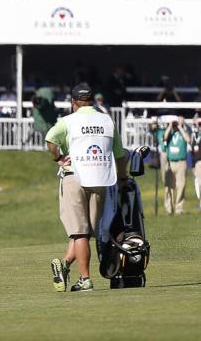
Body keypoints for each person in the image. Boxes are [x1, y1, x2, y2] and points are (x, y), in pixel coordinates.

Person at [45, 83, 130, 293]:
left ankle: (85, 279)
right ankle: (64, 265)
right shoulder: (107, 121)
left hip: (75, 177)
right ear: (92, 100)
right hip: (100, 179)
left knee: (79, 233)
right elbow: (120, 155)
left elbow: (50, 140)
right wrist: (122, 178)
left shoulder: (68, 121)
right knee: (84, 233)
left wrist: (58, 158)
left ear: (73, 102)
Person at [159, 117, 191, 215]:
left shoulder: (185, 131)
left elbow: (188, 140)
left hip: (181, 162)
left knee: (181, 186)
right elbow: (164, 137)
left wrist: (181, 127)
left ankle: (179, 208)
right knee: (169, 186)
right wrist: (170, 126)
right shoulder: (169, 132)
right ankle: (169, 208)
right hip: (170, 162)